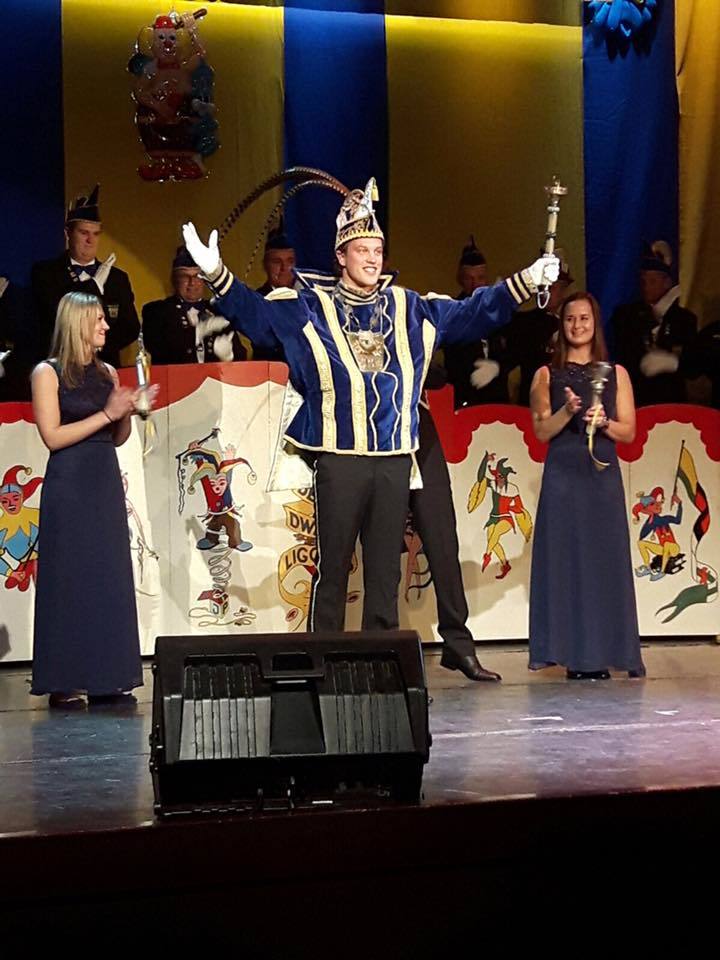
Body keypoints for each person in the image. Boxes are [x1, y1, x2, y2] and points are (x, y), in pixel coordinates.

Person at [182, 178, 559, 637]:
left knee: (384, 575)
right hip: (340, 457)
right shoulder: (310, 307)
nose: (372, 257)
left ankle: (380, 665)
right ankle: (325, 660)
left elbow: (471, 313)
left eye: (378, 250)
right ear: (341, 256)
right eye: (362, 249)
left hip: (394, 458)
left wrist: (525, 281)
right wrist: (217, 273)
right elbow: (259, 319)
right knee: (334, 570)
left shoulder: (409, 308)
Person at [30, 291, 156, 709]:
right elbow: (53, 436)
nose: (105, 325)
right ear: (78, 322)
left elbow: (116, 438)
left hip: (103, 480)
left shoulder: (107, 372)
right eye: (98, 319)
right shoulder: (47, 373)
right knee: (70, 577)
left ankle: (108, 676)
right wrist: (107, 413)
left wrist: (129, 411)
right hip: (69, 483)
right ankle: (65, 678)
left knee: (106, 575)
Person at [528, 291, 644, 680]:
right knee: (566, 564)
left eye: (584, 318)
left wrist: (603, 422)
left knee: (603, 563)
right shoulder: (546, 375)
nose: (577, 326)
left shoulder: (617, 373)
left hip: (601, 477)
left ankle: (606, 653)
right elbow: (542, 431)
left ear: (595, 323)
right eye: (570, 319)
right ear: (561, 325)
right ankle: (573, 656)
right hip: (563, 478)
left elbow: (629, 432)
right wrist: (568, 411)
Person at [410, 367, 501, 681]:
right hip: (375, 433)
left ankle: (458, 644)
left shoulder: (410, 334)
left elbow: (437, 375)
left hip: (419, 431)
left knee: (442, 541)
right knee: (383, 551)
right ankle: (385, 653)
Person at [30, 186, 140, 367]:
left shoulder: (117, 279)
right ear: (68, 234)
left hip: (105, 366)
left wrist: (97, 347)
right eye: (83, 233)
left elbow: (130, 328)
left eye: (96, 234)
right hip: (61, 367)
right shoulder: (46, 273)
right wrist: (94, 286)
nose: (90, 241)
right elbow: (55, 320)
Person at [611, 241, 696, 405]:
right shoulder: (625, 315)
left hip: (672, 402)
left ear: (667, 283)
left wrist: (674, 363)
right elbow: (625, 352)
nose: (646, 287)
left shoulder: (684, 319)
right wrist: (653, 317)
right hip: (638, 400)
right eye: (643, 281)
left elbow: (693, 368)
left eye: (653, 281)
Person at [142, 246, 246, 365]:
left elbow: (241, 355)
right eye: (184, 276)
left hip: (214, 376)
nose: (192, 282)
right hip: (175, 377)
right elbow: (156, 347)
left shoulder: (219, 310)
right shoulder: (156, 311)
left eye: (197, 276)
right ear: (174, 280)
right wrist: (198, 332)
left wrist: (228, 357)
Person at [443, 237, 511, 407]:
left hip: (498, 400)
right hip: (465, 400)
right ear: (460, 279)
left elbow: (514, 351)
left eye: (480, 277)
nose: (475, 284)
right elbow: (451, 360)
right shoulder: (453, 312)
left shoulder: (499, 311)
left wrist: (497, 367)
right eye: (469, 278)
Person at [505, 254, 573, 405]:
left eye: (551, 288)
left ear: (563, 290)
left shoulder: (573, 322)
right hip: (533, 399)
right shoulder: (524, 322)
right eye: (541, 288)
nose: (544, 293)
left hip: (567, 398)